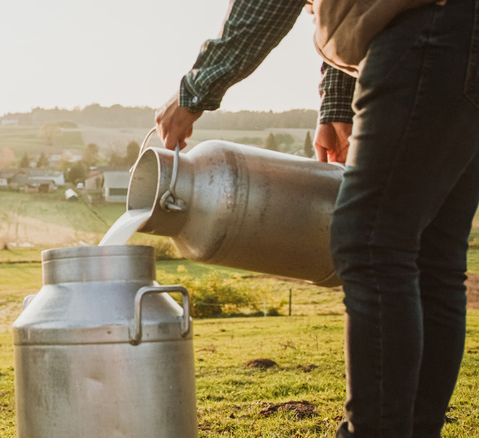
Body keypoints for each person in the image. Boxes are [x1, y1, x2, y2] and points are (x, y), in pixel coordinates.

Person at [155, 1, 479, 437]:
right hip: (458, 36)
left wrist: (195, 87)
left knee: (370, 242)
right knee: (431, 259)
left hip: (427, 31)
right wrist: (336, 107)